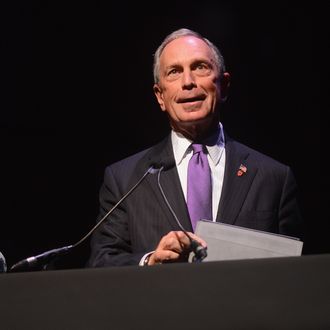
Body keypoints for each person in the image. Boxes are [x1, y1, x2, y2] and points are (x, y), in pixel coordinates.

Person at [86, 28, 303, 267]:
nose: (188, 82)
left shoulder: (273, 178)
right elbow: (101, 263)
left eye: (200, 67)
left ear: (224, 85)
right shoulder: (124, 179)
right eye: (174, 72)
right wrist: (149, 262)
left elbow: (297, 275)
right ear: (160, 96)